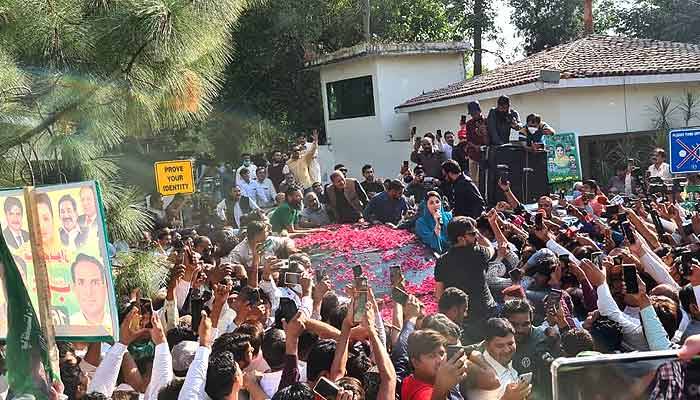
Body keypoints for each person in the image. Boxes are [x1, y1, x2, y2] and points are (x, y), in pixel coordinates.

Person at [434, 214, 499, 342]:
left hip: (461, 317)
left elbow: (439, 294)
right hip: (485, 312)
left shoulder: (442, 261)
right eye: (472, 234)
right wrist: (481, 237)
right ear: (461, 239)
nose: (476, 236)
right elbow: (491, 248)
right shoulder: (478, 253)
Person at [463, 318, 531, 400]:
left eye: (510, 343)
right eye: (500, 346)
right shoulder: (479, 374)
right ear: (486, 345)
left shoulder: (512, 363)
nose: (507, 350)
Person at [69, 254, 110, 332]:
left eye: (95, 282)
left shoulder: (117, 325)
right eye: (81, 283)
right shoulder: (66, 328)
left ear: (105, 287)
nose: (89, 292)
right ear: (74, 289)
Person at [464, 101, 489, 186]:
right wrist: (475, 147)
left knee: (484, 178)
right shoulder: (469, 124)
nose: (473, 115)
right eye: (471, 113)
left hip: (485, 155)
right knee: (474, 181)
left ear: (479, 110)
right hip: (473, 155)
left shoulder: (487, 121)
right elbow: (468, 139)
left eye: (475, 113)